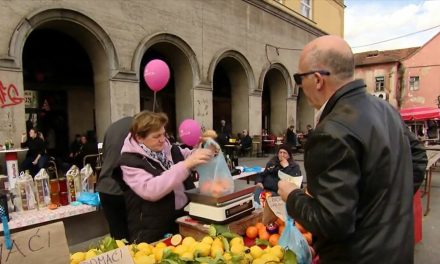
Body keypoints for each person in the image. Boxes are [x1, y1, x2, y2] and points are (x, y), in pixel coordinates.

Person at [277, 35, 427, 264]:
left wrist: (292, 196)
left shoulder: (331, 130)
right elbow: (417, 157)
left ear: (317, 79)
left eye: (299, 77)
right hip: (396, 251)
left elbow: (332, 222)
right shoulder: (385, 109)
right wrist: (385, 206)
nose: (299, 85)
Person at [119, 111, 215, 243]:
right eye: (156, 136)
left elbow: (187, 154)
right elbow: (151, 190)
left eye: (163, 134)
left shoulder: (168, 148)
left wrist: (205, 153)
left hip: (180, 219)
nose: (162, 139)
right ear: (139, 138)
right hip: (151, 229)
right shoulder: (130, 162)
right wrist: (186, 165)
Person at [96, 116, 133, 240]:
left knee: (117, 237)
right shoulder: (138, 128)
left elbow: (105, 155)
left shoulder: (111, 128)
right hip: (122, 188)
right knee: (131, 237)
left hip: (105, 187)